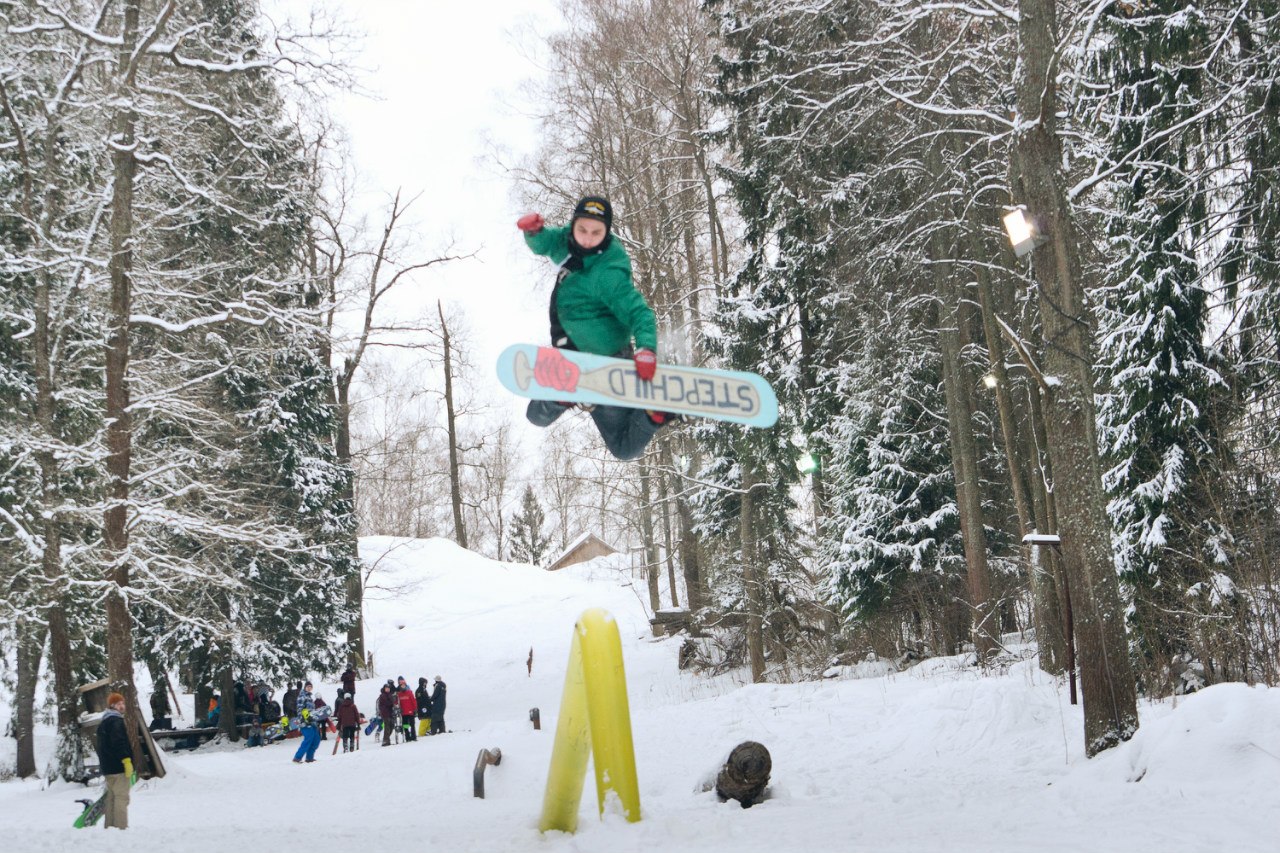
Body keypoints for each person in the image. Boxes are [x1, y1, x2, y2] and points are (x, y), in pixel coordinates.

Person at [517, 196, 672, 461]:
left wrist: (647, 348)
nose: (588, 238)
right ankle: (567, 392)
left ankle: (652, 412)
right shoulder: (569, 241)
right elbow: (547, 243)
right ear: (574, 226)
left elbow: (640, 313)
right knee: (535, 416)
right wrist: (534, 233)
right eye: (583, 230)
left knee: (624, 449)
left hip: (608, 362)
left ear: (606, 232)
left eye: (596, 233)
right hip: (575, 360)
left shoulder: (608, 273)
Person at [95, 691, 135, 830]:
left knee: (111, 798)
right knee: (122, 798)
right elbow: (119, 742)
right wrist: (126, 760)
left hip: (108, 768)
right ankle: (121, 828)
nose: (122, 706)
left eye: (123, 703)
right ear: (112, 706)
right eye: (119, 704)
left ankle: (110, 827)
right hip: (118, 767)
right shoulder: (116, 721)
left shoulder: (104, 722)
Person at [292, 681, 320, 763]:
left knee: (316, 739)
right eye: (308, 686)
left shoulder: (310, 698)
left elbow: (312, 711)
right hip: (305, 722)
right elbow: (299, 709)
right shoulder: (302, 696)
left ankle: (309, 758)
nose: (309, 688)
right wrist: (303, 718)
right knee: (309, 738)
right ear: (305, 687)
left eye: (310, 686)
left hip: (312, 722)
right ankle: (297, 757)